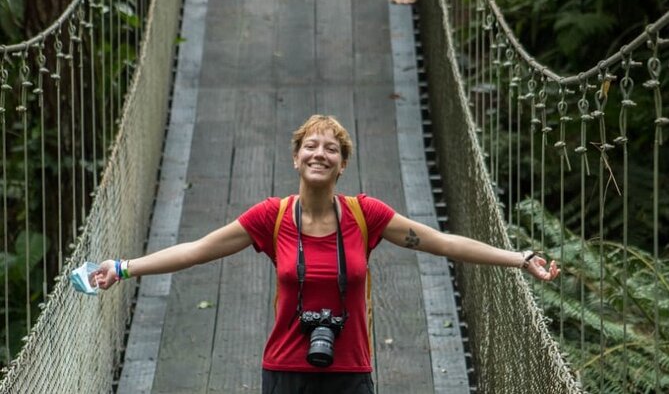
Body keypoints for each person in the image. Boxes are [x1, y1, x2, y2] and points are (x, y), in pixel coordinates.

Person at [93, 114, 560, 394]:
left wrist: (517, 258)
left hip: (350, 371)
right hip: (284, 370)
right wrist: (123, 267)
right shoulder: (270, 218)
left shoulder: (366, 215)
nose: (320, 153)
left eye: (331, 148)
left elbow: (442, 242)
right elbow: (195, 251)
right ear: (296, 158)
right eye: (311, 146)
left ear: (343, 163)